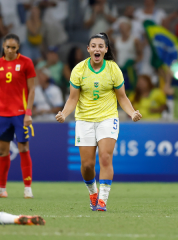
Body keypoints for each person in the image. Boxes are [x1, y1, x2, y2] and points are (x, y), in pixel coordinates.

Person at [55, 33, 142, 212]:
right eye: (93, 46)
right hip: (84, 119)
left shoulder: (113, 69)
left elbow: (122, 97)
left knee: (105, 157)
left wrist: (132, 113)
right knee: (87, 166)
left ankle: (102, 201)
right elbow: (72, 99)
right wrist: (64, 114)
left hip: (108, 118)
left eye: (100, 46)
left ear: (106, 50)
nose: (97, 49)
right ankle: (92, 192)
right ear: (88, 49)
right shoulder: (78, 70)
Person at [0, 34, 36, 199]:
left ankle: (27, 188)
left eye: (14, 47)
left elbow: (32, 90)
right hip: (2, 115)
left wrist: (28, 113)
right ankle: (1, 189)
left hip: (20, 114)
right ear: (3, 47)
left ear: (18, 47)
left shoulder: (26, 63)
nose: (11, 50)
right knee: (2, 151)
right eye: (8, 47)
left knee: (23, 148)